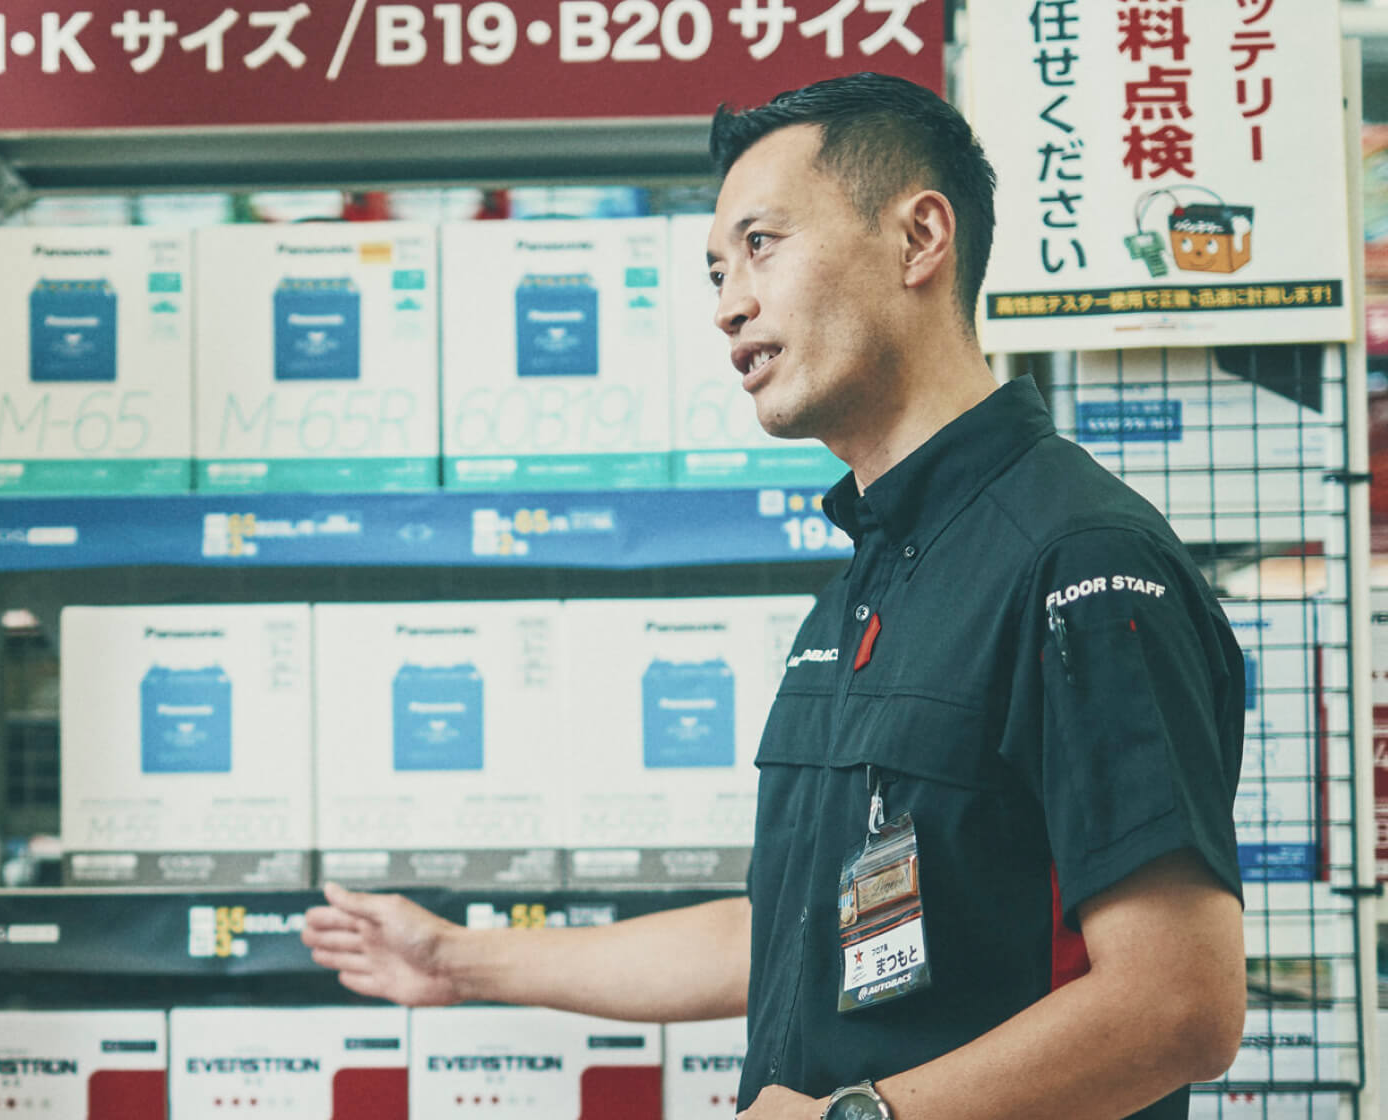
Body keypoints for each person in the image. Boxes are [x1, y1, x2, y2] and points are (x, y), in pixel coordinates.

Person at [305, 73, 1247, 1120]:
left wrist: (860, 1118)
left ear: (919, 239)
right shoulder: (869, 580)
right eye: (718, 270)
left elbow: (1178, 1006)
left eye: (761, 244)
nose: (727, 306)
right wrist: (457, 959)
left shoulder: (1077, 560)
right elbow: (795, 933)